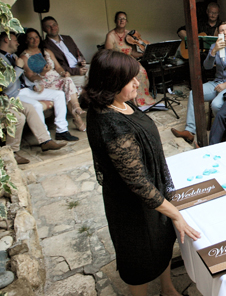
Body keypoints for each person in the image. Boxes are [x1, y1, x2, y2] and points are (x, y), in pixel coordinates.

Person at [82, 49, 200, 296]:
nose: (138, 83)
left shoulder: (119, 103)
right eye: (130, 80)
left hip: (152, 189)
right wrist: (175, 213)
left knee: (161, 240)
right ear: (111, 83)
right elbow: (137, 183)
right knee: (138, 256)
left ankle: (167, 288)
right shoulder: (110, 124)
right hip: (131, 205)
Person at [172, 21, 226, 144]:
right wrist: (213, 51)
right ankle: (190, 131)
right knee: (193, 93)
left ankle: (223, 131)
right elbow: (207, 67)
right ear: (218, 34)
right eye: (221, 30)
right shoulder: (215, 45)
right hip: (216, 82)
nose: (224, 32)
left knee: (216, 105)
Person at [0, 32, 67, 162]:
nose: (18, 43)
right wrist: (18, 68)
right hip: (6, 97)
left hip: (20, 93)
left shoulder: (12, 56)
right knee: (19, 117)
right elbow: (5, 85)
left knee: (30, 108)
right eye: (15, 40)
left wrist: (33, 85)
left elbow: (23, 78)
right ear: (6, 40)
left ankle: (45, 141)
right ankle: (12, 152)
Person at [19, 28, 86, 132]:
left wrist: (64, 73)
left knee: (67, 80)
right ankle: (77, 114)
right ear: (26, 41)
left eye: (36, 37)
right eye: (31, 38)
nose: (34, 40)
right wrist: (42, 73)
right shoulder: (24, 57)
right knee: (67, 86)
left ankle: (76, 111)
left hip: (57, 80)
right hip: (43, 85)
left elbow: (58, 68)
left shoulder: (46, 51)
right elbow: (30, 77)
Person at [103, 11, 155, 107]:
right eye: (119, 18)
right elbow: (108, 55)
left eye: (124, 18)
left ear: (126, 21)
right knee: (130, 74)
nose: (122, 20)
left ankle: (144, 101)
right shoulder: (111, 35)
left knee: (142, 71)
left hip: (131, 61)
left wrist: (143, 54)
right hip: (118, 62)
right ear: (115, 21)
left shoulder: (130, 35)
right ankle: (132, 102)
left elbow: (133, 53)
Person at [41, 16, 88, 88]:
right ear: (44, 29)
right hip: (68, 72)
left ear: (57, 25)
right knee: (92, 80)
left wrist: (82, 61)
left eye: (54, 25)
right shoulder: (45, 45)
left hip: (80, 67)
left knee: (101, 69)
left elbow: (78, 53)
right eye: (48, 26)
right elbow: (57, 66)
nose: (53, 28)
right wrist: (76, 71)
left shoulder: (67, 38)